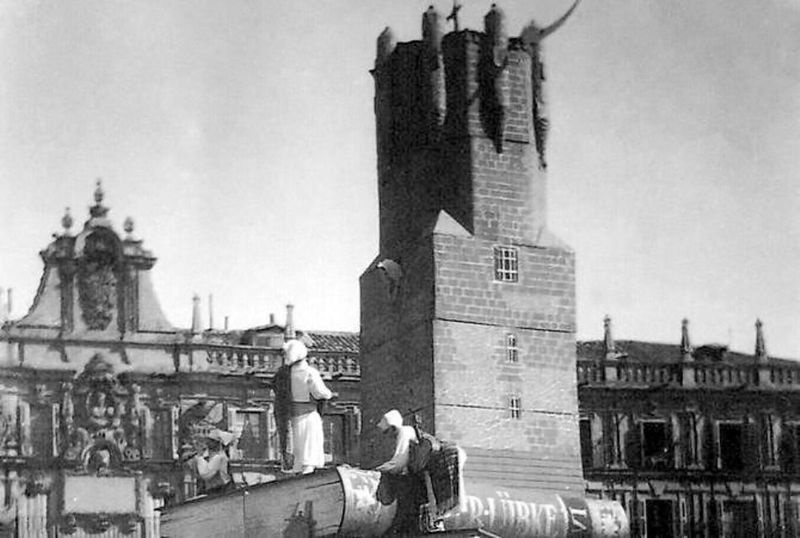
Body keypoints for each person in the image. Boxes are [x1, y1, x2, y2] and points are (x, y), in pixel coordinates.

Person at [284, 339, 333, 474]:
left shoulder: (285, 374)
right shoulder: (309, 372)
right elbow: (320, 393)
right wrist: (329, 394)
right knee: (309, 453)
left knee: (298, 451)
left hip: (293, 417)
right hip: (308, 415)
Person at [193, 429, 235, 495]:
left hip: (219, 490)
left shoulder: (218, 457)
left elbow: (205, 474)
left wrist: (200, 457)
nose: (208, 443)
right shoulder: (215, 456)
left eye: (211, 441)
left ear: (216, 443)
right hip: (217, 489)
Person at [375, 409, 418, 474]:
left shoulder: (404, 432)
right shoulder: (406, 431)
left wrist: (379, 470)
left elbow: (400, 462)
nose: (386, 436)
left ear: (393, 428)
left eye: (386, 432)